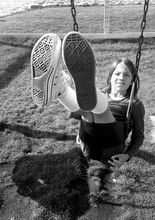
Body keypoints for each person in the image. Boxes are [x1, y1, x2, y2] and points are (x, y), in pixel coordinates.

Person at [31, 31, 145, 195]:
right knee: (89, 110)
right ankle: (59, 90)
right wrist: (81, 133)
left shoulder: (134, 104)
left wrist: (127, 155)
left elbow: (139, 136)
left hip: (111, 146)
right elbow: (79, 116)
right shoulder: (100, 96)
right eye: (117, 73)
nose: (121, 77)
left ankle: (62, 89)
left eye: (127, 75)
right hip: (88, 143)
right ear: (110, 77)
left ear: (132, 80)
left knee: (95, 110)